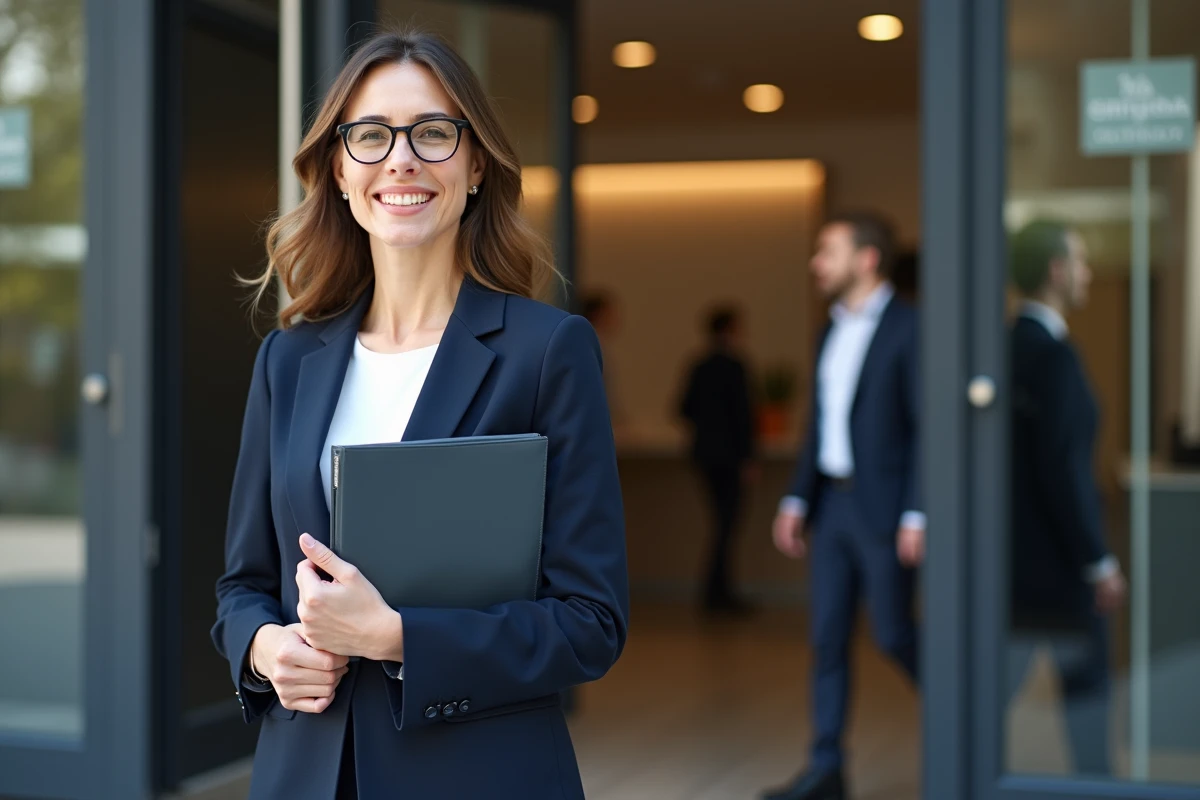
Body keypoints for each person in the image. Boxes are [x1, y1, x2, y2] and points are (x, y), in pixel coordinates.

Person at [210, 30, 629, 799]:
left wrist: (396, 637)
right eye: (370, 136)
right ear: (339, 171)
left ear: (475, 167)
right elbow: (242, 586)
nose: (400, 159)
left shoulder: (548, 351)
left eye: (434, 133)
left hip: (478, 775)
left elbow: (591, 621)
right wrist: (265, 649)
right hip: (304, 773)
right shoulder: (287, 361)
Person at [763, 212, 922, 800]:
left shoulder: (911, 327)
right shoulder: (829, 328)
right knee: (826, 639)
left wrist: (917, 513)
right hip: (831, 508)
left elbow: (925, 428)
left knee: (894, 635)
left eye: (827, 251)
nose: (816, 263)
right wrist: (797, 497)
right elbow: (820, 424)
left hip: (884, 513)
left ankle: (970, 725)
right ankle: (825, 768)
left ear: (867, 259)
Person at [1007, 219, 1126, 775]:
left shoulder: (1010, 347)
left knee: (997, 691)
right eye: (1080, 261)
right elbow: (1064, 468)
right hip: (1058, 562)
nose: (1088, 273)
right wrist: (1096, 561)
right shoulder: (1052, 356)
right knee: (1086, 694)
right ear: (1056, 272)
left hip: (1016, 560)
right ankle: (1098, 787)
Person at [679, 305, 757, 614]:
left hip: (704, 455)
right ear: (729, 330)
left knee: (721, 524)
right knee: (727, 525)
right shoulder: (736, 366)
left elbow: (683, 408)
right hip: (731, 458)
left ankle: (716, 592)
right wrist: (749, 457)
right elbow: (744, 417)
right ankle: (718, 594)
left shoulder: (698, 365)